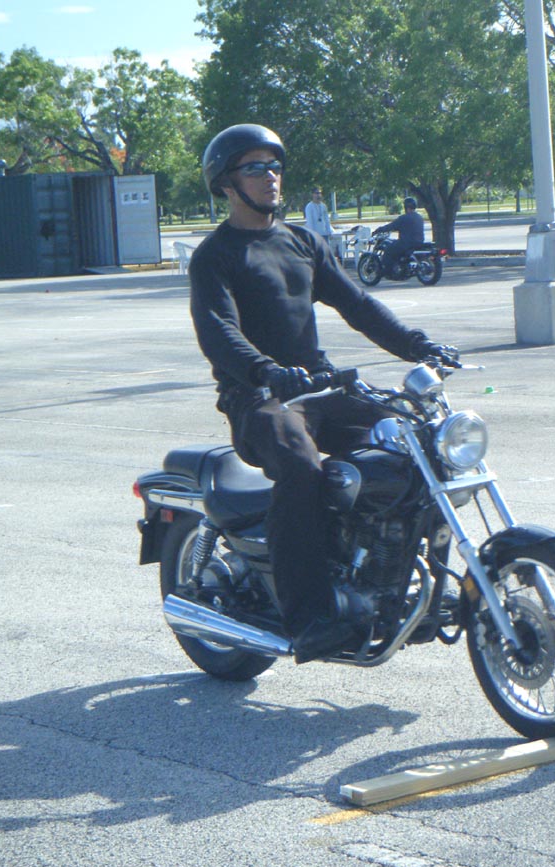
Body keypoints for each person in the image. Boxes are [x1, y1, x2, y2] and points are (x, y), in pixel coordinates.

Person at [187, 124, 459, 663]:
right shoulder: (216, 255)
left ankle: (397, 577)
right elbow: (218, 332)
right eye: (255, 168)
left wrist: (417, 345)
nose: (271, 176)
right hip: (259, 398)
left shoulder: (302, 242)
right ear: (226, 183)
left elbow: (358, 305)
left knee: (417, 443)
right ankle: (309, 614)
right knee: (301, 466)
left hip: (321, 386)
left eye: (274, 166)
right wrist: (266, 371)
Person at [373, 196, 425, 276]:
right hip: (419, 242)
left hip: (406, 243)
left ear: (405, 207)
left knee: (388, 249)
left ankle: (386, 271)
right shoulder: (419, 217)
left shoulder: (404, 218)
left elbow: (391, 226)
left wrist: (378, 230)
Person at [303, 186, 336, 254]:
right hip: (315, 235)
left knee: (326, 253)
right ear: (313, 194)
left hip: (324, 234)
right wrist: (313, 235)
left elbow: (327, 220)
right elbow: (310, 222)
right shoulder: (309, 207)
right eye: (317, 193)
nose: (319, 195)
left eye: (320, 193)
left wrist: (329, 232)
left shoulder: (323, 206)